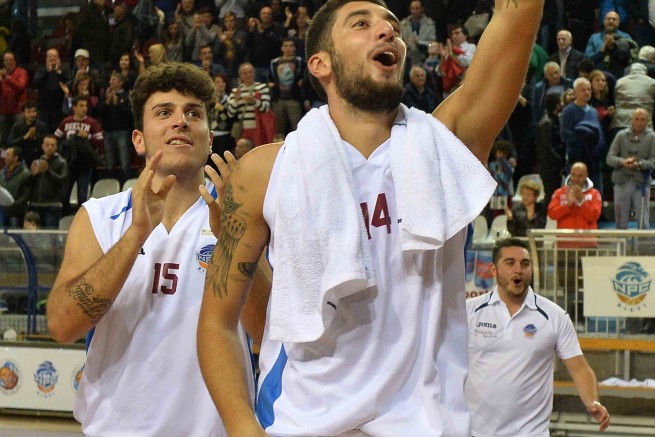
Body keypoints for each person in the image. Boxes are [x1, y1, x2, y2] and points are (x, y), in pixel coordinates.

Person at [197, 0, 544, 435]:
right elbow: (217, 322)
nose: (387, 31)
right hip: (301, 420)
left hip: (423, 424)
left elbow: (517, 15)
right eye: (362, 24)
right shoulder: (263, 173)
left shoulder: (446, 144)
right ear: (320, 63)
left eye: (392, 26)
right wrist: (241, 427)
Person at [46, 62, 268, 436]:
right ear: (138, 139)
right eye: (164, 113)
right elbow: (62, 325)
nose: (180, 121)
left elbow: (266, 330)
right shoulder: (98, 216)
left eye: (193, 113)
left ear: (209, 138)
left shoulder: (241, 216)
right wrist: (135, 236)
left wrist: (233, 240)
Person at [465, 238, 610, 436]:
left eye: (525, 264)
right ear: (493, 269)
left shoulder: (554, 316)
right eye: (510, 263)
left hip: (531, 432)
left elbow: (580, 369)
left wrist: (593, 401)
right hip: (476, 431)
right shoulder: (469, 311)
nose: (518, 270)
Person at [606, 108, 655, 229]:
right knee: (620, 222)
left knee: (643, 223)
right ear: (631, 120)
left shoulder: (652, 137)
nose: (639, 122)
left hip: (641, 182)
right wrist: (623, 162)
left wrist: (639, 164)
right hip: (621, 181)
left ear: (647, 121)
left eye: (642, 120)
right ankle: (622, 242)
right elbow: (609, 158)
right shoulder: (621, 135)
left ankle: (642, 242)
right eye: (637, 119)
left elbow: (653, 161)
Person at [54, 96, 104, 210]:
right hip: (68, 164)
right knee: (65, 195)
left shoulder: (91, 122)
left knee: (82, 196)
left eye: (86, 106)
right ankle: (65, 216)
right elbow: (56, 138)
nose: (84, 108)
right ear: (74, 108)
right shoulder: (66, 122)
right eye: (81, 106)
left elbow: (100, 142)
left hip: (85, 164)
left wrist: (88, 136)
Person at [560, 77, 605, 195]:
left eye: (589, 90)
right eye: (583, 90)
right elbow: (565, 135)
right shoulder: (568, 111)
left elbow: (600, 134)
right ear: (575, 92)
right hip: (577, 159)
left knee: (595, 193)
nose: (587, 92)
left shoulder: (593, 111)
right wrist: (583, 134)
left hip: (593, 160)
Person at [27, 135, 69, 229]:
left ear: (56, 147)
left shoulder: (62, 162)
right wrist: (32, 175)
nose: (50, 147)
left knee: (51, 234)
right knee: (35, 234)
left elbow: (63, 180)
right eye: (47, 145)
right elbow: (29, 184)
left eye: (52, 145)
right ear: (42, 146)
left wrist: (47, 171)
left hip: (52, 204)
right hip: (36, 204)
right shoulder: (37, 162)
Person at [584, 11, 637, 79]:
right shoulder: (594, 38)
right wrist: (602, 50)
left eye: (614, 19)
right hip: (598, 76)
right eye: (608, 19)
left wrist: (613, 47)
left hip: (620, 76)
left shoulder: (626, 37)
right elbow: (587, 60)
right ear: (604, 21)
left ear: (618, 22)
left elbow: (629, 58)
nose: (611, 21)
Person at [0, 51, 28, 150]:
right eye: (6, 60)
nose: (9, 62)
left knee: (17, 138)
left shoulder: (21, 72)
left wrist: (7, 78)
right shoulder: (1, 75)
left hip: (18, 111)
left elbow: (21, 87)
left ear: (15, 61)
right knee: (3, 140)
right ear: (4, 62)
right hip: (4, 112)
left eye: (11, 60)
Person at [7, 101, 49, 165]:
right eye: (29, 112)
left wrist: (35, 137)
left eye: (34, 111)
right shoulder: (17, 126)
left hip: (38, 155)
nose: (32, 114)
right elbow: (10, 142)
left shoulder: (42, 126)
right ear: (23, 113)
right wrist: (25, 137)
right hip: (22, 156)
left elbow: (46, 141)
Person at [0, 146, 30, 227]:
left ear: (16, 157)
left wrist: (13, 205)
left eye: (8, 154)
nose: (5, 157)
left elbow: (26, 195)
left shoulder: (25, 173)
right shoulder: (2, 173)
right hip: (2, 212)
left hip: (16, 214)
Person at [399, 0, 436, 65]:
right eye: (413, 8)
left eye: (417, 8)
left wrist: (419, 43)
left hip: (424, 58)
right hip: (406, 59)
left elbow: (432, 43)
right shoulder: (403, 24)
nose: (414, 11)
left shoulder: (430, 24)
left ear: (422, 9)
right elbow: (399, 41)